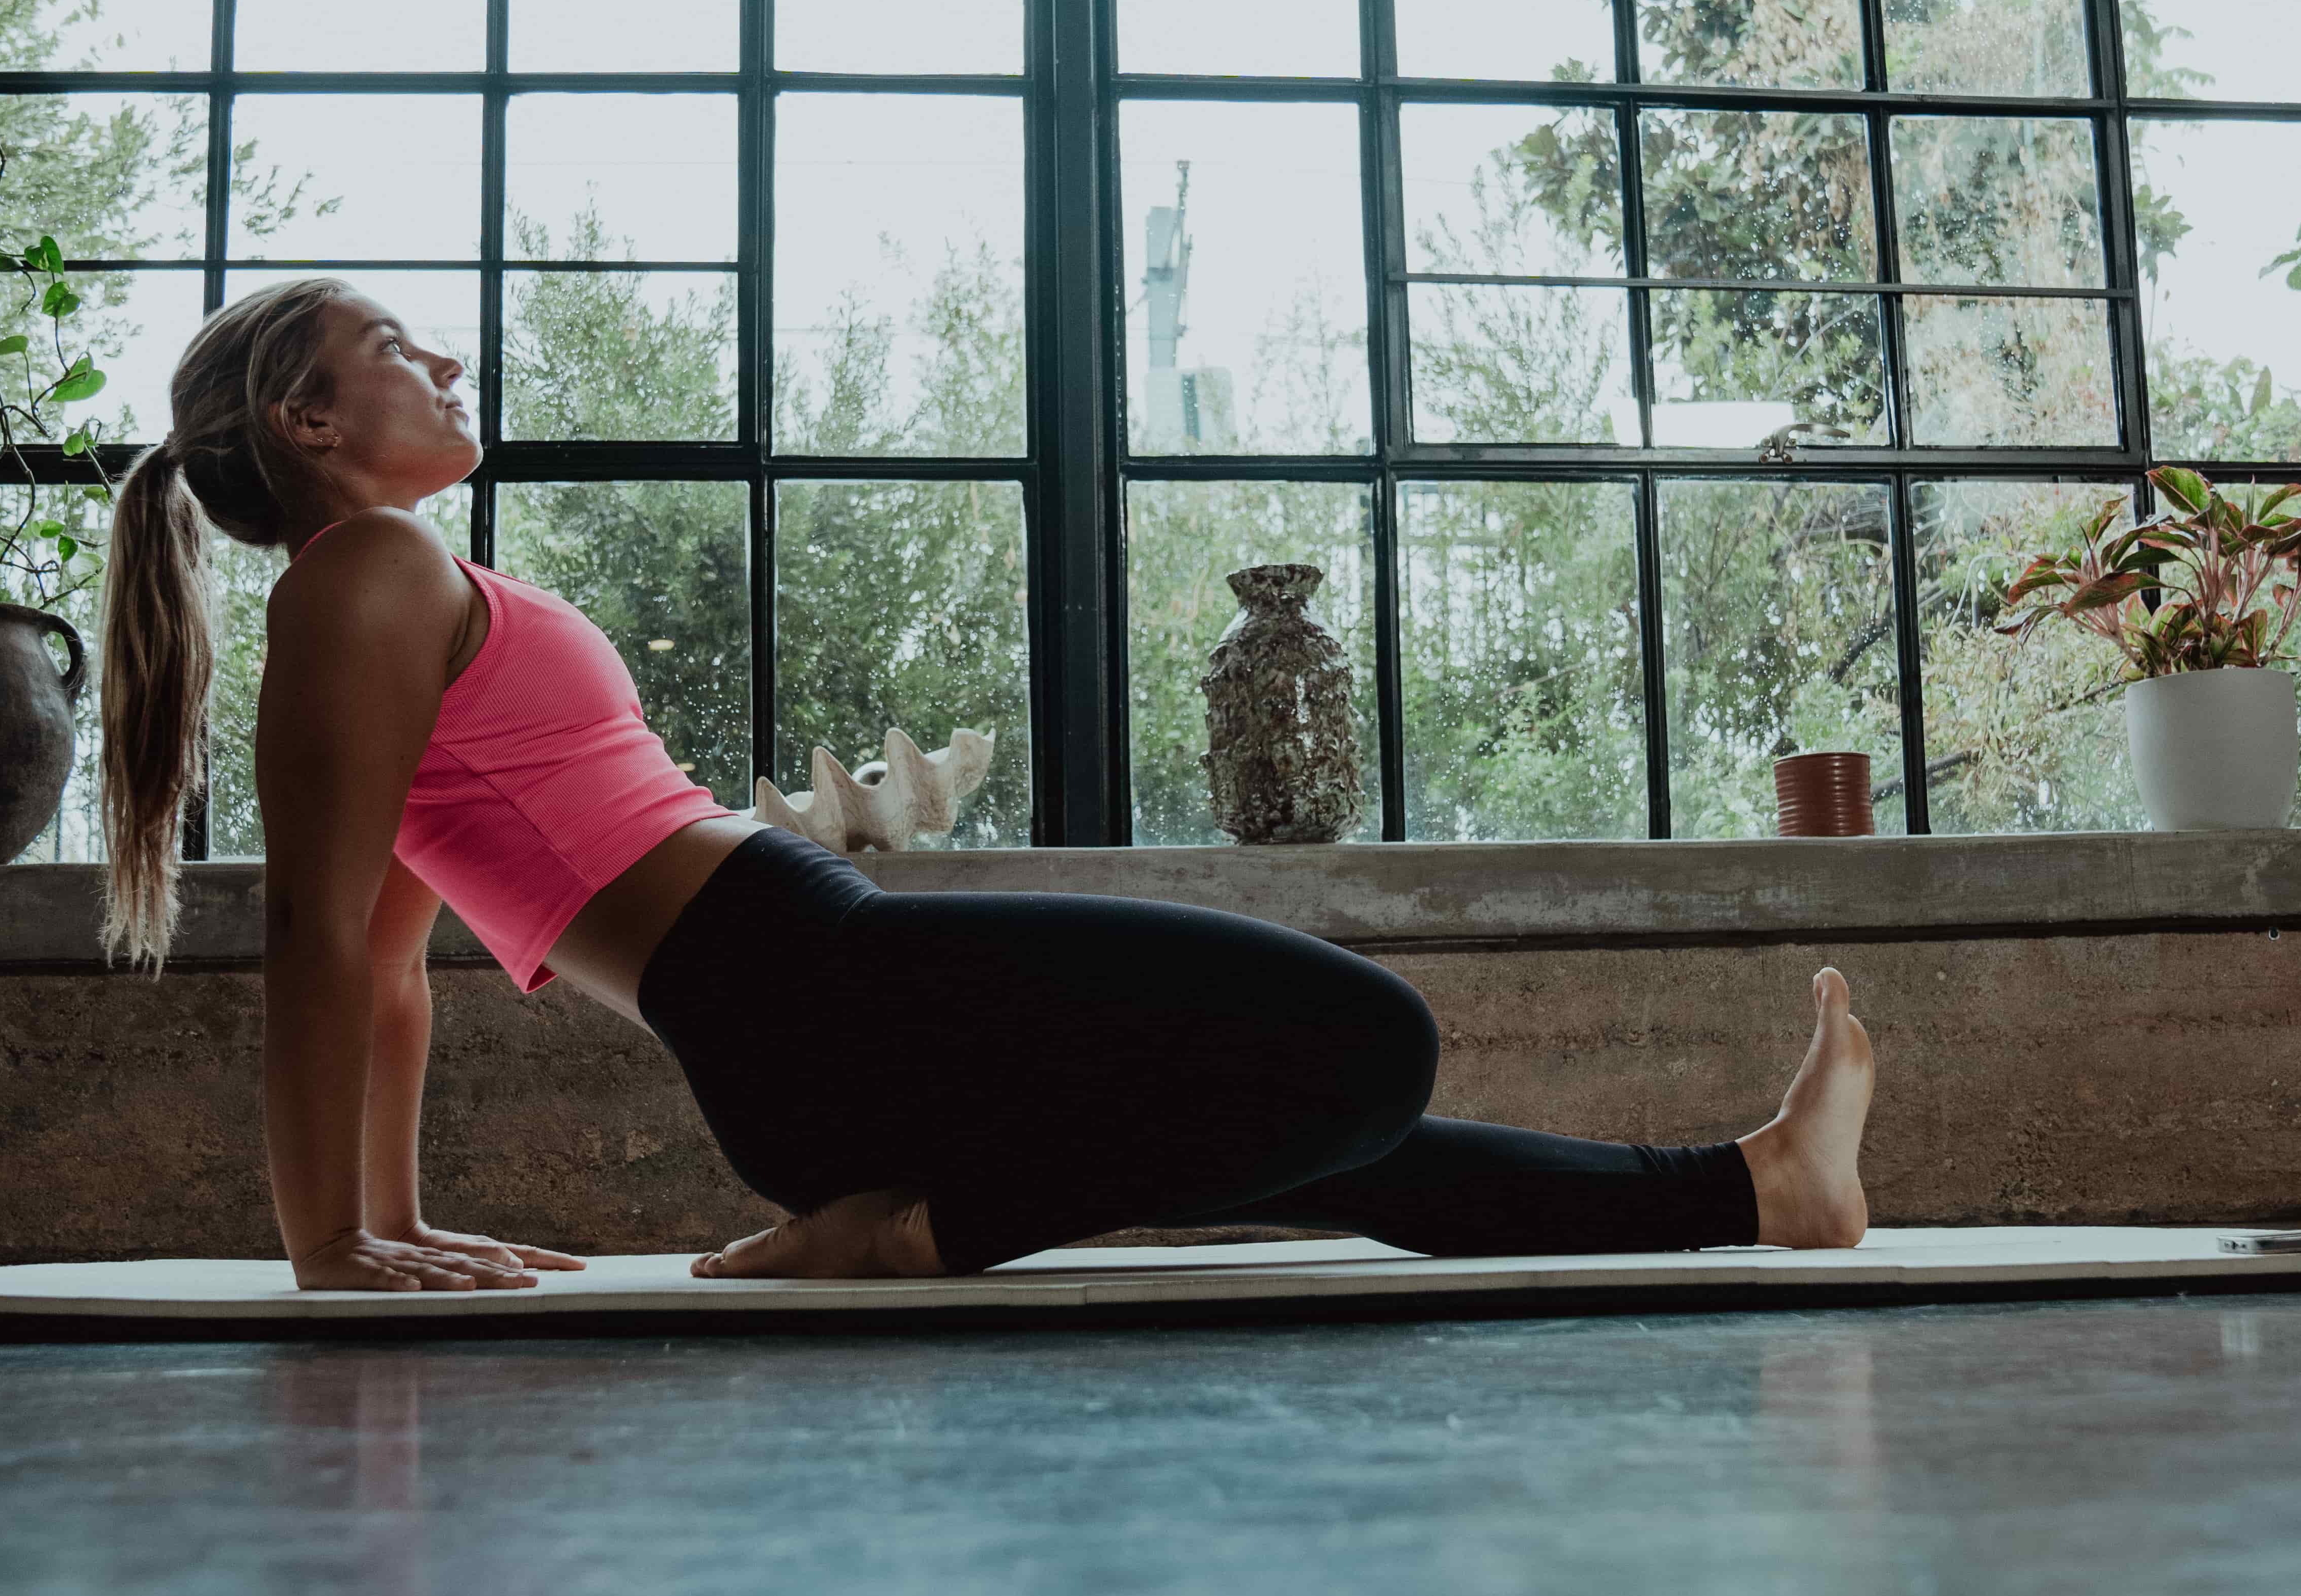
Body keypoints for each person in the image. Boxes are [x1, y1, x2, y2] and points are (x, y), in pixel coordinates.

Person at [96, 280, 1875, 1293]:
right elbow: (327, 941)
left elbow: (403, 956)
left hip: (811, 1014)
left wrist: (396, 1222)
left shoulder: (392, 593)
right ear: (311, 426)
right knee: (1360, 1043)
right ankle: (916, 1234)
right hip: (807, 993)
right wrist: (328, 1239)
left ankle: (1754, 1190)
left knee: (1337, 1148)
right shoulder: (368, 578)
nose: (445, 360)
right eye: (395, 348)